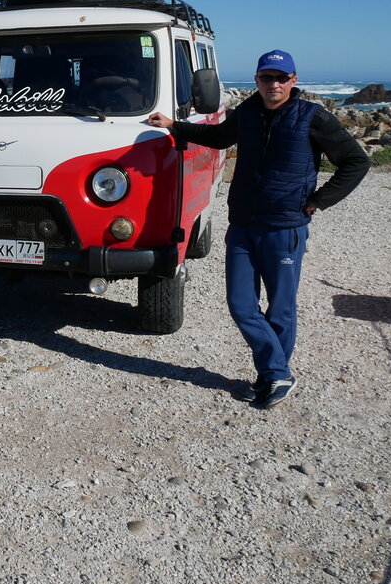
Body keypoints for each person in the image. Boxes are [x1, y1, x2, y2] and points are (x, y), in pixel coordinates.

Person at [147, 49, 369, 408]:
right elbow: (219, 137)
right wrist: (174, 125)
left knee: (280, 307)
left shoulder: (312, 117)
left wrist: (320, 199)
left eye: (282, 78)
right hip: (243, 225)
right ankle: (277, 373)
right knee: (241, 305)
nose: (274, 84)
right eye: (267, 78)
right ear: (257, 80)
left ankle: (272, 376)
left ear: (294, 81)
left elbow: (356, 162)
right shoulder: (247, 112)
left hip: (284, 227)